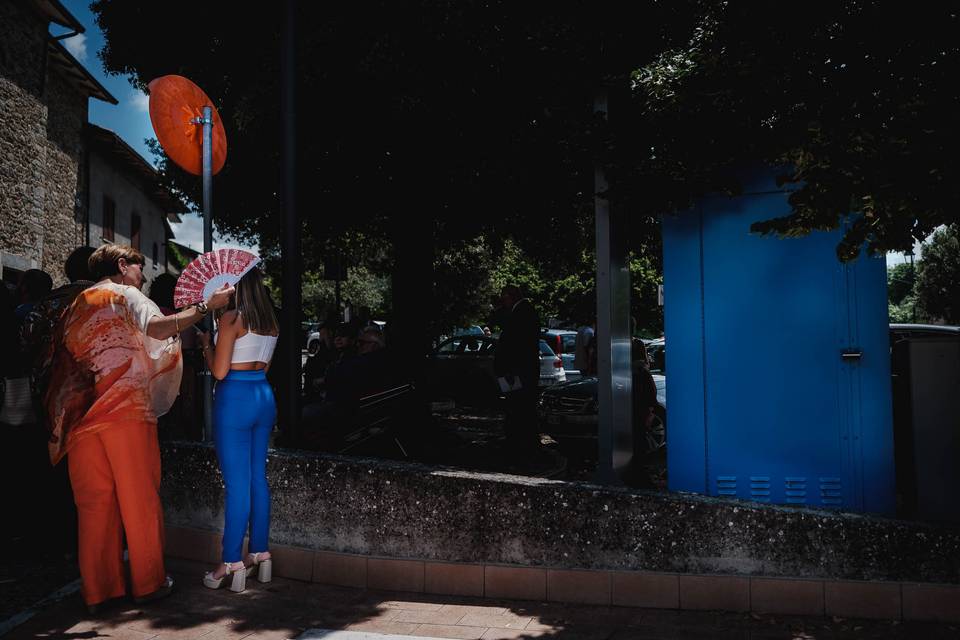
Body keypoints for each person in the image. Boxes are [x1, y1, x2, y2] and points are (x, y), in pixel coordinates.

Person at [44, 244, 234, 613]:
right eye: (139, 267)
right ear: (122, 265)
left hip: (80, 420)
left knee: (94, 505)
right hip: (125, 413)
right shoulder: (126, 293)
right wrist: (204, 308)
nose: (142, 276)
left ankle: (100, 591)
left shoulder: (74, 305)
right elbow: (158, 328)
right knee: (139, 499)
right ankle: (148, 583)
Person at [196, 265, 278, 593]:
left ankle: (231, 561)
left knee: (237, 484)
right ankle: (260, 552)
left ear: (236, 287)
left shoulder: (231, 319)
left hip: (236, 398)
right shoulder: (271, 322)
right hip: (263, 395)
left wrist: (207, 343)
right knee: (258, 477)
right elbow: (263, 365)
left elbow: (219, 371)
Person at [493, 285, 541, 452]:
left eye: (504, 297)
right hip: (519, 369)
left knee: (519, 406)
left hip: (517, 371)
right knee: (520, 406)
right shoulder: (524, 311)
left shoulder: (522, 313)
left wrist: (511, 370)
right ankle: (522, 440)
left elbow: (517, 345)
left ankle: (520, 442)